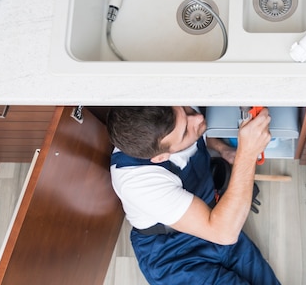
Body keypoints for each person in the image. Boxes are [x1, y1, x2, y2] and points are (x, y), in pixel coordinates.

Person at [106, 106, 280, 285]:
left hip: (211, 218)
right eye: (184, 132)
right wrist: (248, 154)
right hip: (172, 255)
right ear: (161, 157)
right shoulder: (137, 181)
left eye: (186, 111)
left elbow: (198, 133)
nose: (197, 118)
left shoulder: (173, 112)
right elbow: (225, 233)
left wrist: (221, 148)